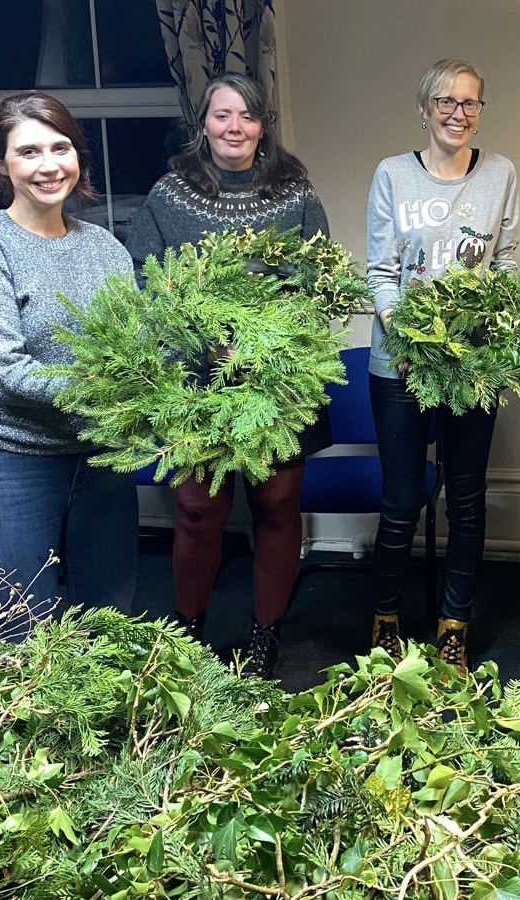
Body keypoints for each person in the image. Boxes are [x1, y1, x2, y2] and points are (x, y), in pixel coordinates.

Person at [127, 73, 331, 679]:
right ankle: (187, 638)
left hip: (278, 378)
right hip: (194, 381)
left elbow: (320, 284)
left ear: (263, 125)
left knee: (276, 505)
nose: (234, 127)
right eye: (222, 115)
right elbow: (144, 281)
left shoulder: (295, 194)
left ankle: (266, 637)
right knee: (197, 509)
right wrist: (198, 341)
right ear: (203, 124)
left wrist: (267, 341)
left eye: (247, 115)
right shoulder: (169, 196)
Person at [0, 92, 139, 637]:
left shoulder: (104, 248)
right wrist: (104, 386)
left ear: (78, 157)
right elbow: (2, 371)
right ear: (2, 166)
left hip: (99, 456)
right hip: (10, 460)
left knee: (109, 620)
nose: (49, 166)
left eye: (60, 148)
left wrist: (201, 354)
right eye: (29, 152)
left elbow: (136, 344)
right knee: (21, 625)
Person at [366, 58, 520, 674]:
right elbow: (381, 272)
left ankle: (453, 629)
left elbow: (504, 264)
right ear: (424, 109)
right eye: (446, 101)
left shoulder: (501, 173)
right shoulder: (392, 174)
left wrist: (500, 334)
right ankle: (384, 623)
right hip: (399, 363)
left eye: (470, 102)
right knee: (401, 501)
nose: (459, 113)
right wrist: (407, 342)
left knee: (466, 501)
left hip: (471, 366)